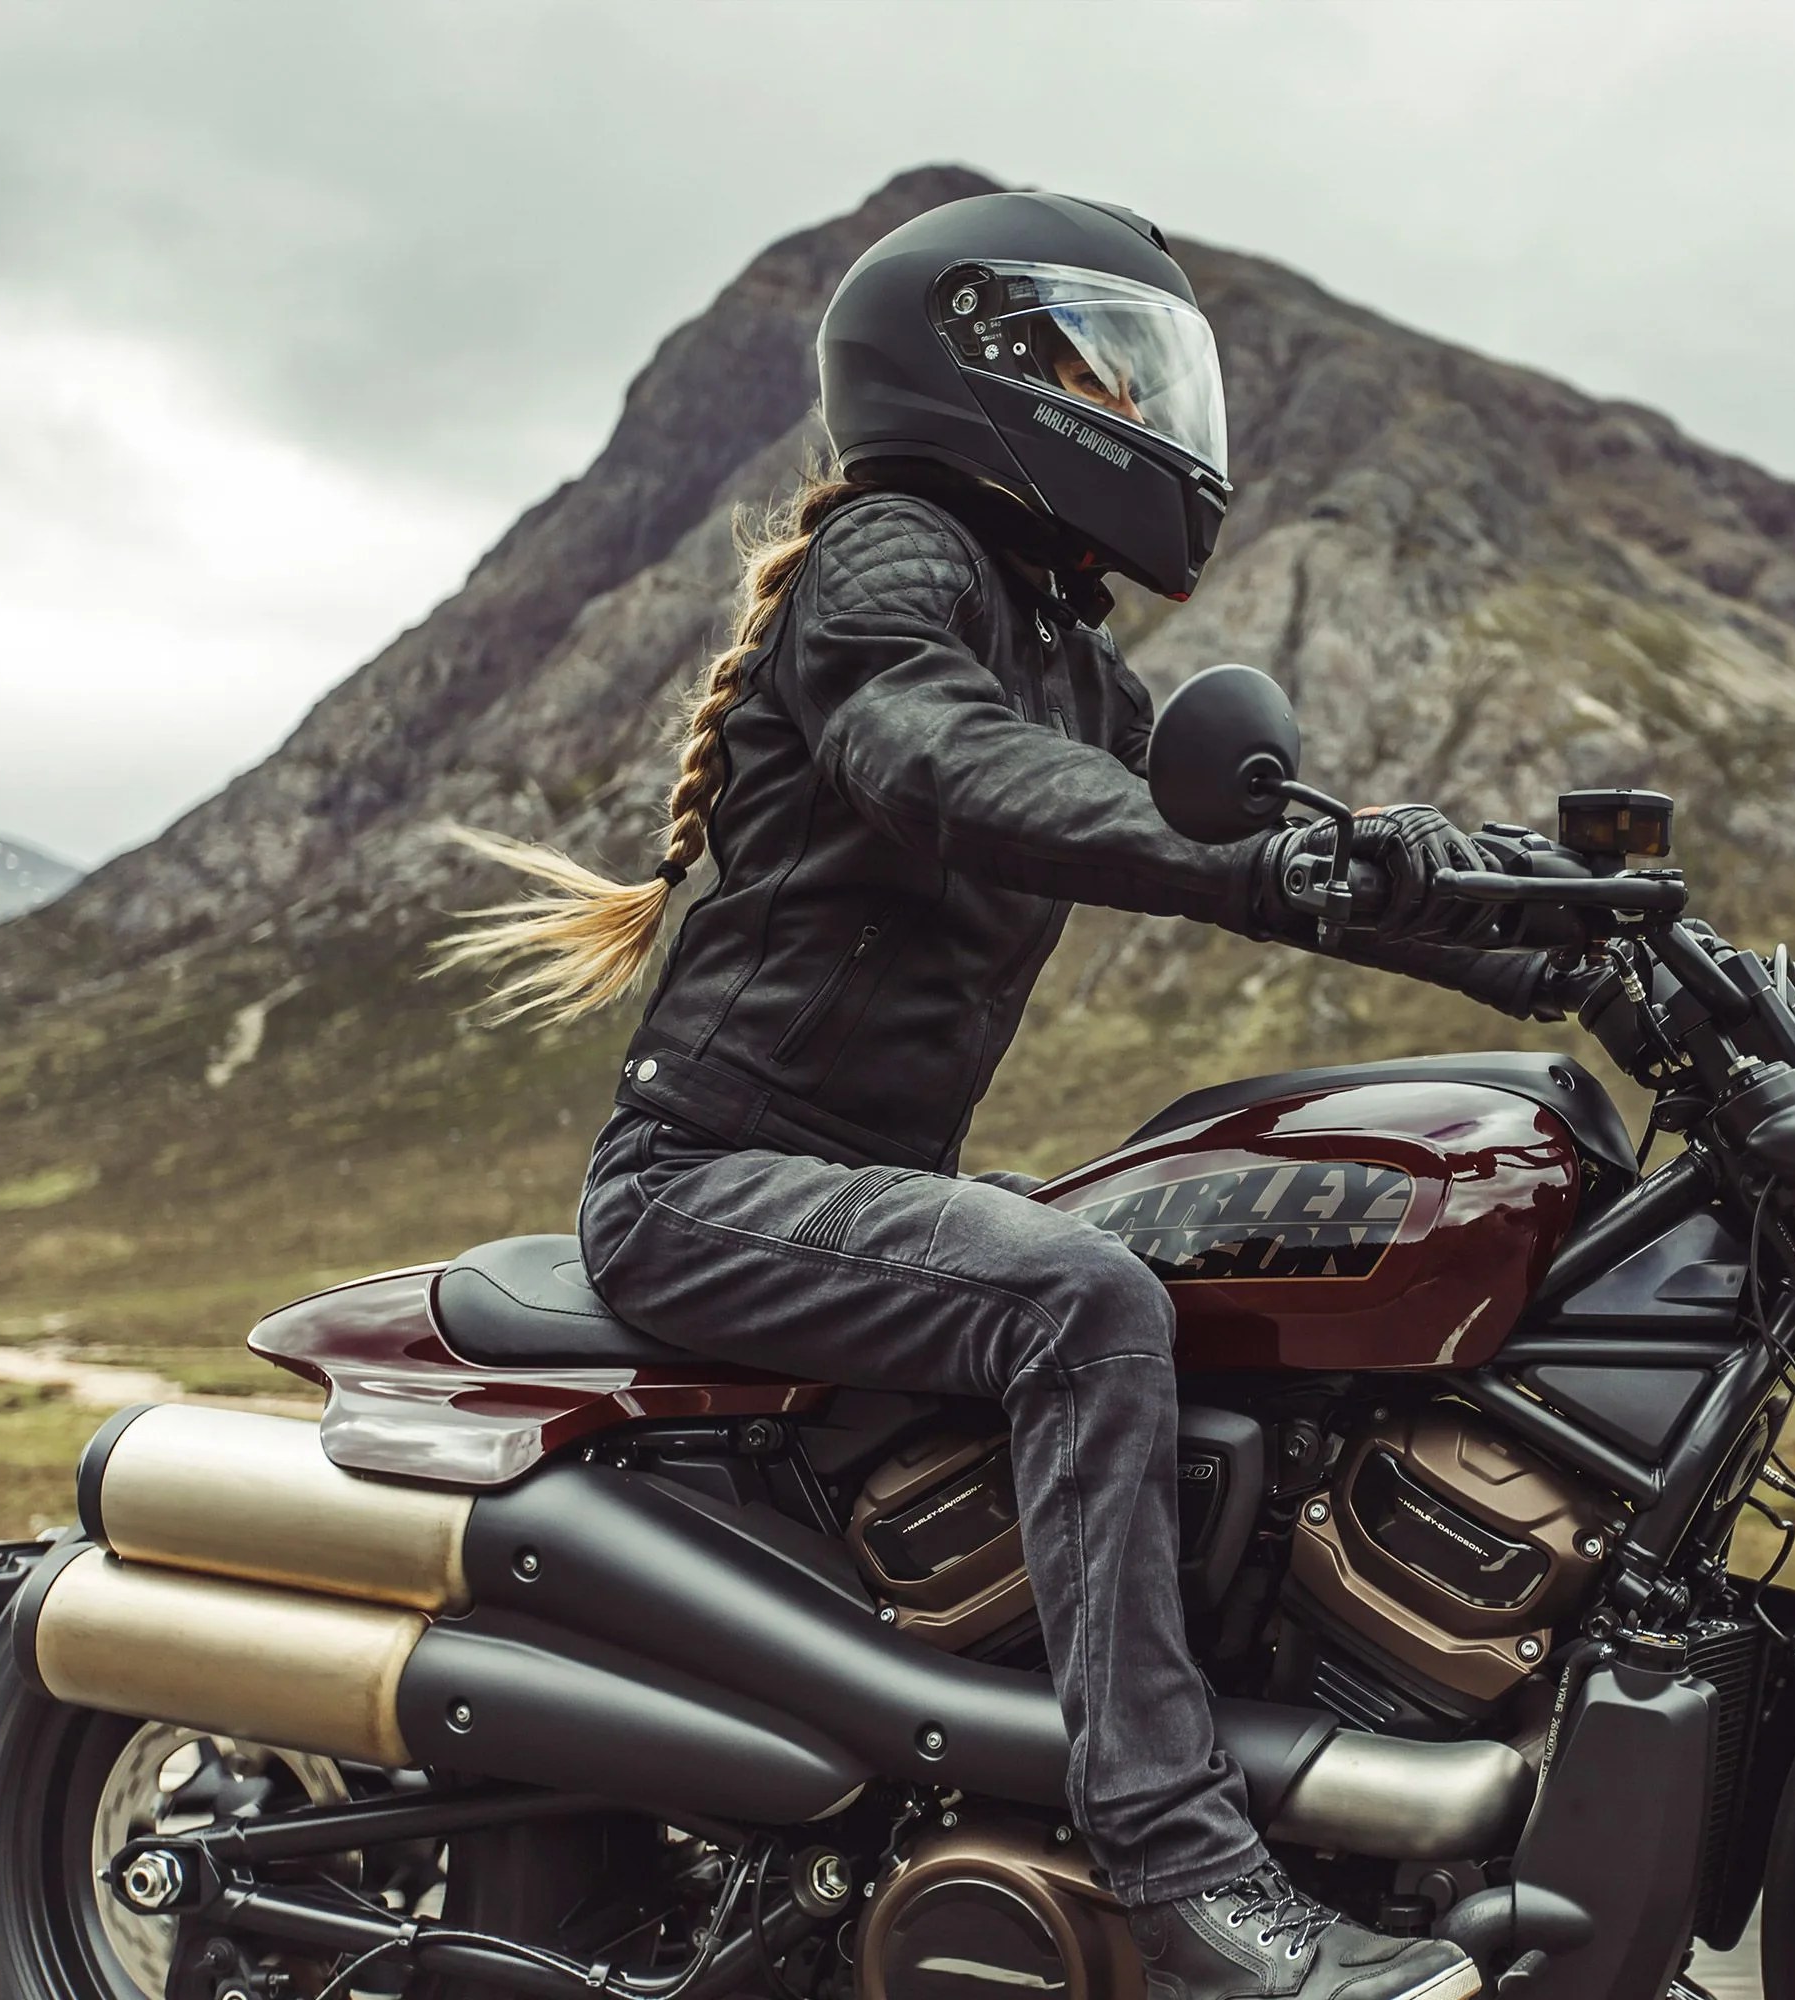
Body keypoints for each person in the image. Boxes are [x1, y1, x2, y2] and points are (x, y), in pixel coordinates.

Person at [438, 190, 1573, 2000]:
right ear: (973, 370)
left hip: (849, 1190)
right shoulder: (892, 561)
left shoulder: (1062, 650)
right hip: (706, 1187)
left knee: (1192, 1267)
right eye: (1092, 365)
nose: (1134, 409)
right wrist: (1256, 870)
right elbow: (934, 757)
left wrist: (1543, 934)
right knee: (1082, 1297)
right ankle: (1190, 1879)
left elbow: (1256, 834)